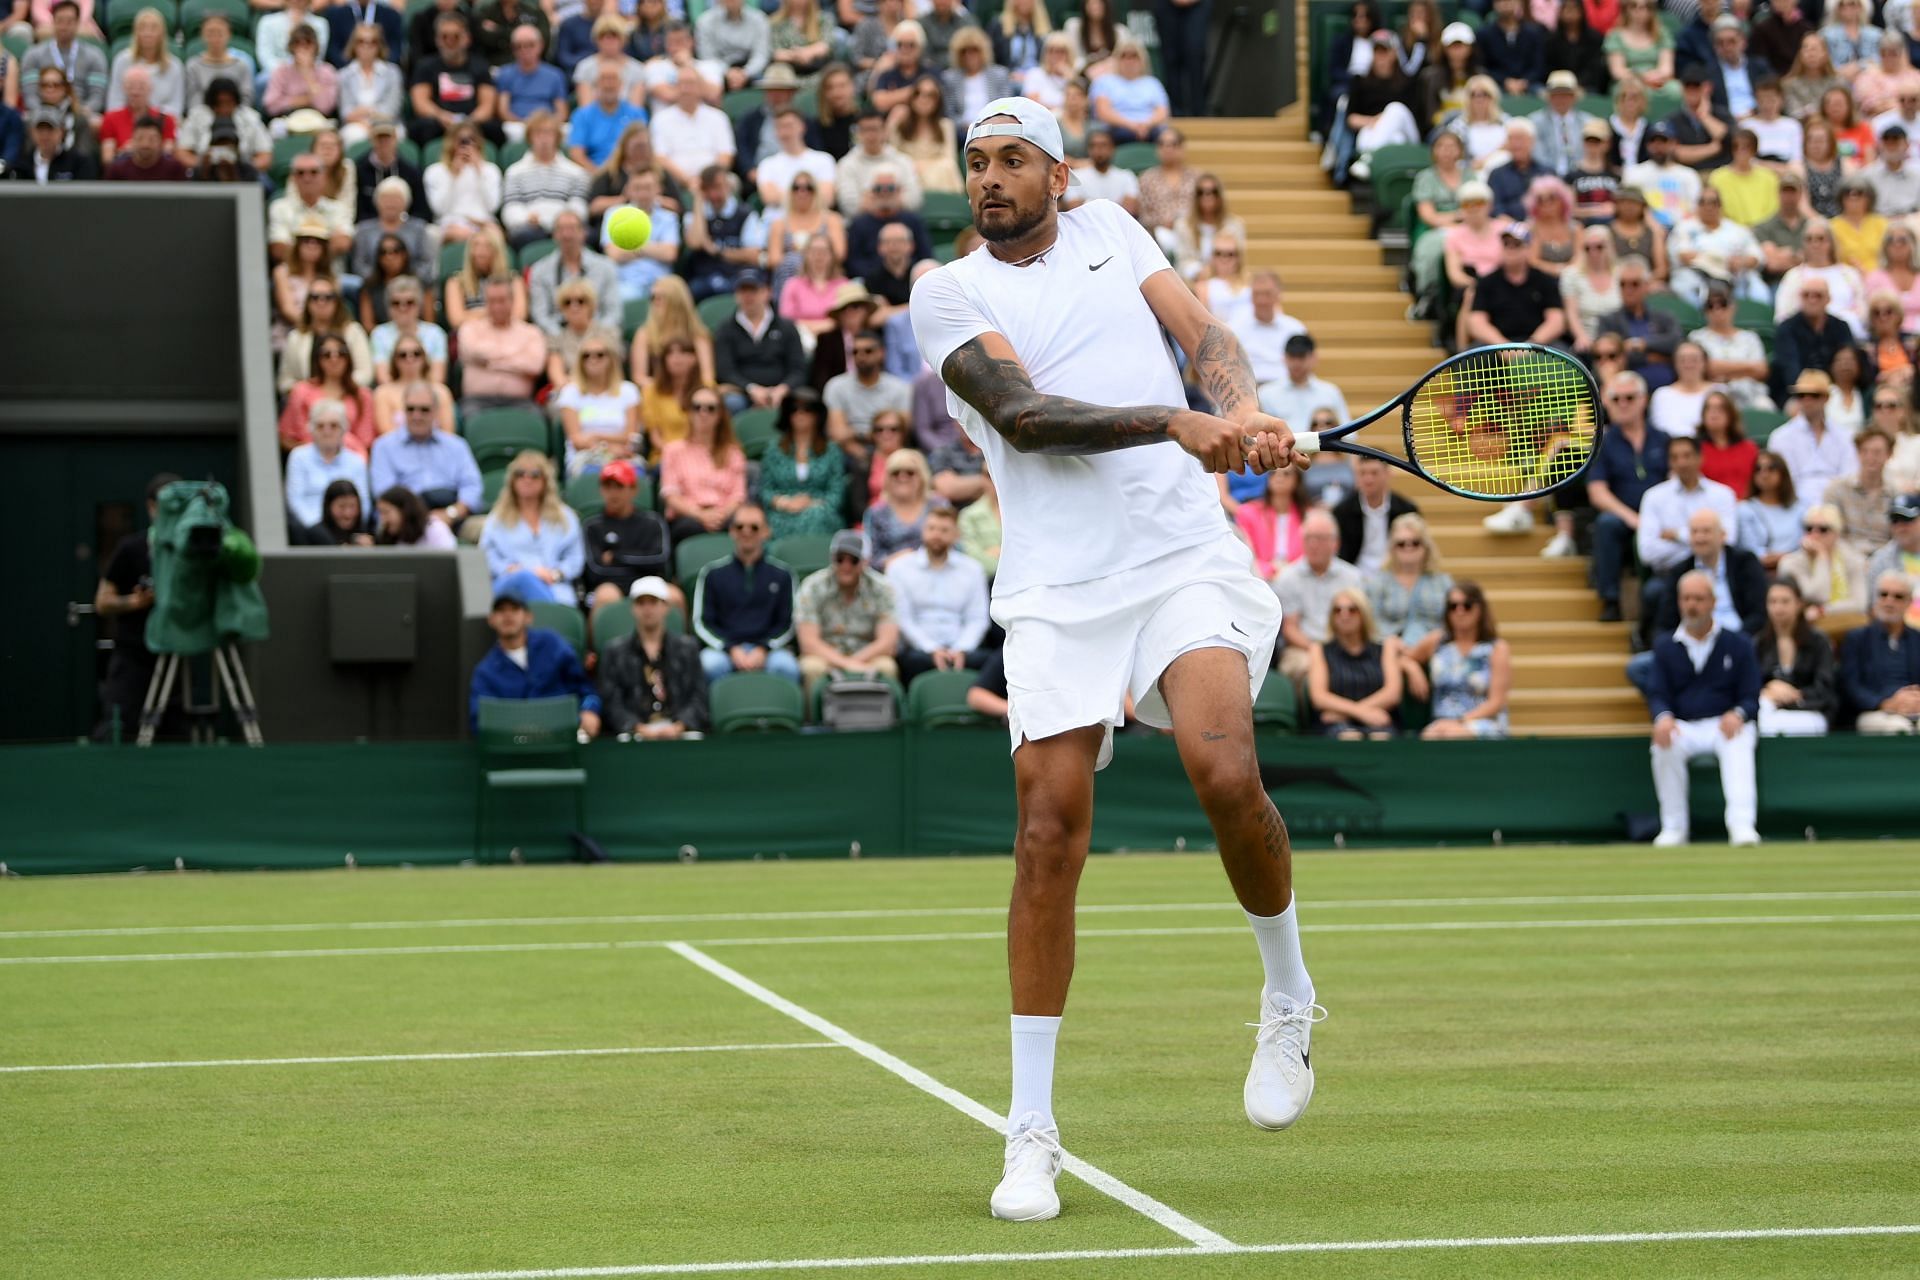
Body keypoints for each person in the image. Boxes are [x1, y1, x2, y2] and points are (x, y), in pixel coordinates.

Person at [907, 99, 1320, 1221]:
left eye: (1011, 161)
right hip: (1053, 588)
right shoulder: (945, 291)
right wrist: (1179, 422)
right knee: (1046, 834)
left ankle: (1288, 994)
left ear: (1058, 173)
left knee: (1224, 768)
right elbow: (1027, 415)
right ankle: (1030, 1130)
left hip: (1182, 554)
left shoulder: (1117, 231)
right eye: (976, 163)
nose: (989, 179)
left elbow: (1207, 340)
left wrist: (1239, 405)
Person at [1642, 570, 1761, 846]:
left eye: (1698, 598)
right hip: (1684, 726)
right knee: (1662, 742)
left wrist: (1738, 713)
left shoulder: (1738, 643)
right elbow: (1657, 693)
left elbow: (1751, 695)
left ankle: (1742, 826)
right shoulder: (1665, 646)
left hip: (1725, 724)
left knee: (1740, 738)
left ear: (1712, 601)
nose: (1692, 605)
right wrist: (1663, 718)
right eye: (1686, 598)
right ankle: (1674, 828)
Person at [1586, 370, 1673, 621]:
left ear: (1644, 400)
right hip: (1624, 517)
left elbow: (1675, 482)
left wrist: (1654, 519)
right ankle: (1610, 600)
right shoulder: (1602, 442)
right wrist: (1633, 518)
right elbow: (1598, 492)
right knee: (1607, 524)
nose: (1623, 404)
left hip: (1662, 517)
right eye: (1616, 399)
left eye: (1630, 397)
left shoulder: (1663, 439)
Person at [469, 588, 602, 736]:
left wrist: (590, 711)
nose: (508, 615)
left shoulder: (553, 645)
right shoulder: (485, 672)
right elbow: (480, 721)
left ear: (528, 617)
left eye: (514, 609)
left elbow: (585, 689)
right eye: (501, 610)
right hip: (513, 747)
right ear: (491, 620)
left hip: (563, 736)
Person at [691, 503, 799, 682]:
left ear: (766, 532)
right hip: (723, 650)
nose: (746, 532)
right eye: (739, 526)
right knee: (708, 665)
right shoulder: (712, 573)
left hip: (770, 650)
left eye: (754, 527)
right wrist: (730, 648)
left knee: (786, 668)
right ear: (731, 531)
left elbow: (788, 623)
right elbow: (702, 622)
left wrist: (764, 648)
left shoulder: (783, 575)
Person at [597, 576, 710, 739]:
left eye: (653, 602)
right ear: (632, 608)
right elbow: (612, 702)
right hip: (634, 734)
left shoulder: (687, 648)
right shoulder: (615, 652)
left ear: (665, 607)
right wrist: (637, 727)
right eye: (641, 603)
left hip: (680, 731)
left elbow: (699, 696)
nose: (647, 609)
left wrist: (679, 726)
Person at [792, 528, 902, 693]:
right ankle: (814, 718)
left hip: (867, 654)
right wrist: (845, 663)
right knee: (811, 668)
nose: (846, 565)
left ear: (865, 561)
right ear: (832, 559)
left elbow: (887, 642)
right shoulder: (813, 586)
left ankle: (883, 718)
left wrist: (855, 661)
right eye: (840, 559)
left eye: (853, 560)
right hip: (824, 655)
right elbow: (809, 643)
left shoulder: (882, 588)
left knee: (887, 667)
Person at [370, 380, 484, 530]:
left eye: (424, 410)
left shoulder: (456, 446)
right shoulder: (383, 447)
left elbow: (473, 487)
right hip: (404, 521)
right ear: (403, 411)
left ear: (436, 411)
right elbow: (385, 493)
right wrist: (419, 518)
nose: (417, 416)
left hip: (452, 517)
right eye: (411, 409)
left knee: (488, 528)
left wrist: (450, 514)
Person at [1365, 512, 1450, 700]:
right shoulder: (1378, 583)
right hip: (1387, 653)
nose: (1408, 548)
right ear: (1392, 548)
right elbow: (1372, 624)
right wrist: (1403, 655)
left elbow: (1450, 624)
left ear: (1426, 547)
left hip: (1435, 651)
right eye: (1401, 544)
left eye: (1415, 543)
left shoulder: (1442, 582)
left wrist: (1414, 654)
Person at [1273, 508, 1365, 679]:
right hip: (1303, 648)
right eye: (1309, 538)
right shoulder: (1287, 578)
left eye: (1320, 539)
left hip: (1345, 645)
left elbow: (1360, 621)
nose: (1313, 544)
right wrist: (1319, 651)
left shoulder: (1352, 577)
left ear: (1335, 543)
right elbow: (1290, 628)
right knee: (1307, 668)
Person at [1308, 587, 1403, 739]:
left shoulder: (1384, 648)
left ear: (1364, 614)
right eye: (1337, 610)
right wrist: (1361, 713)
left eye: (1352, 610)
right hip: (1336, 725)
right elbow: (1319, 696)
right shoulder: (1319, 649)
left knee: (1381, 737)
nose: (1344, 615)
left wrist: (1352, 713)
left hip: (1375, 718)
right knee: (1349, 736)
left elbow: (1392, 693)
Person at [659, 387, 747, 542]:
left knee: (745, 527)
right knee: (689, 528)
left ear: (720, 414)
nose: (703, 413)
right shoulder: (673, 450)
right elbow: (671, 495)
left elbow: (738, 496)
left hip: (724, 516)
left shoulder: (733, 453)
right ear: (689, 412)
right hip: (687, 517)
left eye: (710, 408)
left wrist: (720, 515)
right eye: (697, 407)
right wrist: (700, 514)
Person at [713, 268, 806, 412]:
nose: (748, 296)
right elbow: (725, 371)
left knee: (804, 403)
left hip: (782, 391)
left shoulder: (787, 327)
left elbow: (798, 369)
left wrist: (782, 389)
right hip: (742, 392)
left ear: (767, 292)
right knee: (732, 403)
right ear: (736, 295)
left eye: (753, 290)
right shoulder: (725, 329)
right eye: (743, 291)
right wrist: (751, 389)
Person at [759, 386, 846, 539]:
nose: (800, 414)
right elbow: (765, 490)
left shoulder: (832, 451)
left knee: (815, 516)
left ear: (817, 415)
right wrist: (785, 503)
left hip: (820, 512)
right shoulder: (773, 449)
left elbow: (836, 493)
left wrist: (812, 504)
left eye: (807, 409)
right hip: (782, 513)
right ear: (787, 414)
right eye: (794, 409)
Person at [1754, 576, 1836, 735]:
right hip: (1769, 708)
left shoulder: (1818, 642)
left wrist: (1794, 695)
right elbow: (1748, 684)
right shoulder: (1759, 643)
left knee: (1774, 725)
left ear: (1799, 604)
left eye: (1785, 601)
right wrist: (1767, 689)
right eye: (1773, 602)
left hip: (1810, 710)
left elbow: (1825, 688)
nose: (1778, 608)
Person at [1464, 222, 1568, 347]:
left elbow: (1556, 321)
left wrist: (1531, 345)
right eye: (1506, 244)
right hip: (1495, 345)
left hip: (1538, 344)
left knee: (1562, 354)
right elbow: (1477, 322)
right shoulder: (1486, 282)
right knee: (1471, 360)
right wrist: (1502, 345)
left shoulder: (1545, 280)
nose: (1510, 249)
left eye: (1516, 244)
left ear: (1528, 248)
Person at [581, 461, 669, 606]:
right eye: (607, 487)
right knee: (605, 596)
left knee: (674, 596)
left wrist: (617, 557)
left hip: (649, 582)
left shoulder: (653, 522)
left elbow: (659, 559)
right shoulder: (592, 526)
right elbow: (596, 570)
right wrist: (639, 563)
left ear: (634, 489)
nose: (613, 493)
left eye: (619, 486)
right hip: (611, 584)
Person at [408, 11, 500, 148]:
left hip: (473, 121)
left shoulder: (480, 65)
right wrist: (441, 116)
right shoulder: (425, 66)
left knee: (494, 129)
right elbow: (420, 102)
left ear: (467, 38)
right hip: (439, 122)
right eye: (444, 37)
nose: (450, 41)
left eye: (455, 36)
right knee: (421, 128)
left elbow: (487, 104)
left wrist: (470, 121)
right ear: (437, 39)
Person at [554, 333, 640, 479]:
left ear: (611, 359)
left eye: (600, 355)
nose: (593, 360)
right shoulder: (570, 392)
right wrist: (608, 448)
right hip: (585, 459)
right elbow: (577, 441)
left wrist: (595, 436)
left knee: (636, 475)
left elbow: (630, 436)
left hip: (622, 457)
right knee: (593, 476)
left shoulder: (628, 391)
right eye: (586, 356)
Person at [1842, 570, 1920, 730]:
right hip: (1875, 711)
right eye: (1883, 594)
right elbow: (1850, 686)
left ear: (1909, 602)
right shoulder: (1857, 639)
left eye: (1898, 597)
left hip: (1915, 709)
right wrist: (1886, 703)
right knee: (1899, 728)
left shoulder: (1917, 639)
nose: (1889, 601)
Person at [458, 277, 548, 412]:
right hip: (476, 403)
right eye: (492, 301)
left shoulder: (531, 332)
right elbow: (472, 351)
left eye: (501, 300)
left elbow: (534, 366)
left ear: (512, 301)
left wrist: (490, 362)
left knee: (537, 421)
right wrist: (515, 355)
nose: (496, 307)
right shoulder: (470, 328)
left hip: (522, 403)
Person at [503, 112, 590, 247]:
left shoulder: (576, 172)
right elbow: (511, 207)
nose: (544, 138)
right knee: (519, 235)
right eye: (538, 133)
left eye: (549, 133)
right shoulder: (514, 172)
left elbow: (579, 204)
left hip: (567, 225)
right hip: (531, 227)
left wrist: (565, 220)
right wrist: (526, 218)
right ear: (530, 137)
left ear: (557, 137)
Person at [825, 327, 912, 462]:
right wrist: (862, 448)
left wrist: (856, 432)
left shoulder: (900, 388)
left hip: (890, 451)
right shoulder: (836, 386)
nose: (861, 356)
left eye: (868, 351)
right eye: (855, 352)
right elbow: (837, 433)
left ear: (882, 353)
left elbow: (902, 431)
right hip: (849, 452)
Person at [1595, 255, 1681, 390]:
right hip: (1627, 396)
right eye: (1623, 284)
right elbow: (1606, 357)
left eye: (1634, 284)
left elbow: (1676, 343)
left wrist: (1641, 344)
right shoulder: (1608, 321)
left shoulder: (1664, 317)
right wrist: (1658, 356)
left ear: (1646, 285)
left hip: (1669, 389)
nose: (1628, 290)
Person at [280, 334, 379, 452]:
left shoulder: (362, 395)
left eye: (341, 353)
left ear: (349, 358)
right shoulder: (301, 391)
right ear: (317, 358)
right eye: (326, 354)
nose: (334, 359)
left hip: (351, 461)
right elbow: (286, 437)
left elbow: (366, 441)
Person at [1771, 369, 1860, 498]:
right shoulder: (1781, 437)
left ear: (1826, 398)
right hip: (1796, 505)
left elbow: (1849, 476)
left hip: (1838, 503)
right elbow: (1785, 482)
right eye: (1801, 395)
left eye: (1814, 395)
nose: (1807, 400)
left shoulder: (1845, 436)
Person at [285, 400, 372, 530]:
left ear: (344, 429)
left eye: (334, 425)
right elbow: (295, 500)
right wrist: (318, 528)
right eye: (320, 426)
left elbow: (364, 503)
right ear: (311, 430)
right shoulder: (298, 457)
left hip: (347, 529)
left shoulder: (356, 461)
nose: (327, 431)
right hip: (309, 531)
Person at [1779, 500, 1872, 621]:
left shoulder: (1853, 559)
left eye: (1823, 529)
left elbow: (1860, 604)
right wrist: (1821, 558)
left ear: (1837, 533)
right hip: (1806, 625)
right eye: (1809, 528)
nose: (1814, 534)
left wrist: (1824, 610)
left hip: (1845, 622)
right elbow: (1818, 596)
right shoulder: (1790, 563)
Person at [281, 277, 374, 394]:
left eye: (328, 297)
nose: (321, 302)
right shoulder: (295, 337)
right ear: (308, 303)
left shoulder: (353, 331)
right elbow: (285, 381)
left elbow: (365, 373)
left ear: (337, 302)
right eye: (315, 298)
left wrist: (337, 389)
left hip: (347, 397)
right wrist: (308, 391)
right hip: (308, 401)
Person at [1691, 290, 1775, 412]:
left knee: (1766, 407)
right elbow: (1707, 369)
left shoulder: (1750, 338)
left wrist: (1722, 369)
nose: (1717, 311)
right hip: (1711, 396)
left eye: (1723, 304)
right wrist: (1747, 368)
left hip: (1751, 395)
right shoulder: (1697, 337)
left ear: (1733, 307)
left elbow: (1762, 370)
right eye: (1710, 306)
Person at [1332, 457, 1419, 571]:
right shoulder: (1342, 511)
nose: (1368, 479)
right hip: (1355, 575)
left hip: (1395, 574)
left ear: (1388, 474)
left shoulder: (1406, 510)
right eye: (1362, 473)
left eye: (1374, 473)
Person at [424, 122, 505, 244]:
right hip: (450, 223)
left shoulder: (491, 170)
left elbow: (492, 207)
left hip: (483, 222)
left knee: (497, 235)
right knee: (461, 233)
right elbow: (439, 209)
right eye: (461, 140)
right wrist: (453, 176)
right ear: (451, 143)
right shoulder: (435, 171)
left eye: (471, 139)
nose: (466, 145)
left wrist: (479, 172)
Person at [633, 272, 717, 386]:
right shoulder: (644, 333)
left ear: (676, 301)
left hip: (691, 393)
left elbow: (707, 376)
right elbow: (639, 377)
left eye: (660, 298)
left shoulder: (698, 334)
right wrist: (665, 391)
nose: (655, 303)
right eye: (653, 298)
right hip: (657, 393)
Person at [1824, 427, 1895, 556]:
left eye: (1877, 452)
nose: (1870, 457)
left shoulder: (1896, 494)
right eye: (1864, 451)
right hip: (1846, 559)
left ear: (1889, 454)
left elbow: (1899, 539)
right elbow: (1830, 533)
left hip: (1885, 560)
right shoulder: (1837, 489)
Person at [370, 275, 450, 381]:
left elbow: (437, 378)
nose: (403, 308)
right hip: (393, 394)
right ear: (388, 306)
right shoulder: (379, 334)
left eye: (409, 302)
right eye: (396, 303)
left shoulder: (435, 333)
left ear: (419, 305)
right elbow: (384, 379)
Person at [494, 24, 569, 138]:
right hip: (516, 126)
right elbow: (503, 110)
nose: (524, 50)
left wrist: (547, 125)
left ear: (541, 45)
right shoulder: (505, 74)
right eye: (519, 46)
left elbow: (562, 112)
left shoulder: (555, 75)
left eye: (530, 45)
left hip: (548, 126)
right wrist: (523, 123)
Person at [1736, 449, 1805, 571]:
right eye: (1758, 469)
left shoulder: (1800, 509)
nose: (1764, 474)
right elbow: (1749, 549)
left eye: (1771, 468)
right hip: (1759, 572)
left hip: (1796, 570)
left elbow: (1805, 544)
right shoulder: (1744, 510)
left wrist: (1786, 558)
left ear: (1783, 473)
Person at [335, 27, 404, 148]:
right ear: (353, 45)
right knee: (353, 134)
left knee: (397, 134)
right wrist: (366, 122)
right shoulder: (344, 75)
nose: (366, 46)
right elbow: (346, 112)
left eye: (373, 41)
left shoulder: (392, 72)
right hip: (356, 125)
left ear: (379, 45)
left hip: (388, 124)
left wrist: (366, 112)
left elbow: (392, 110)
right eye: (361, 41)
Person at [1235, 466, 1307, 581]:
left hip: (1298, 577)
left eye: (1286, 474)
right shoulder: (1249, 513)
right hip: (1260, 576)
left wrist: (1289, 570)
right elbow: (1245, 554)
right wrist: (1270, 569)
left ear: (1297, 480)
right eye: (1273, 473)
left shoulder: (1308, 515)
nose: (1279, 477)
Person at [864, 445, 932, 565]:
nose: (902, 477)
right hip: (890, 577)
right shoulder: (876, 513)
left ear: (922, 476)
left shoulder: (938, 506)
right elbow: (870, 556)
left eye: (910, 472)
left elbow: (955, 547)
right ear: (887, 479)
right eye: (895, 473)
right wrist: (892, 561)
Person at [1696, 390, 1758, 496]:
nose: (1713, 413)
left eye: (1719, 409)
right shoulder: (1696, 450)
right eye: (1709, 408)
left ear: (1730, 414)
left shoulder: (1749, 448)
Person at [374, 485, 460, 549]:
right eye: (380, 513)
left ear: (404, 510)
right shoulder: (387, 535)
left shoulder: (434, 529)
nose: (383, 519)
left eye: (386, 512)